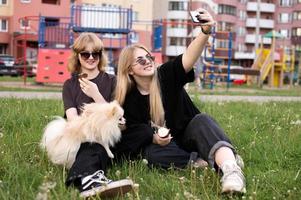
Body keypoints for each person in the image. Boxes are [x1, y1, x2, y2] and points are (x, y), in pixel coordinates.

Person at [115, 9, 246, 194]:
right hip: (169, 149)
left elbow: (188, 58)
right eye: (140, 60)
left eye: (148, 57)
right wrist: (153, 137)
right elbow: (131, 136)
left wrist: (205, 32)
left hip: (190, 136)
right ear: (129, 70)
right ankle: (209, 162)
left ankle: (232, 171)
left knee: (202, 121)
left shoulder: (165, 75)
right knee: (151, 154)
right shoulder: (128, 100)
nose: (147, 61)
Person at [62, 32, 152, 198]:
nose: (91, 58)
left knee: (144, 131)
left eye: (95, 53)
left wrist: (95, 94)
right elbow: (72, 120)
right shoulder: (69, 85)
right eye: (85, 54)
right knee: (93, 139)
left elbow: (120, 122)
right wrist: (94, 126)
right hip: (85, 138)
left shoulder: (112, 81)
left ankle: (98, 166)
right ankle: (89, 179)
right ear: (77, 56)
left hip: (113, 137)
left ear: (100, 55)